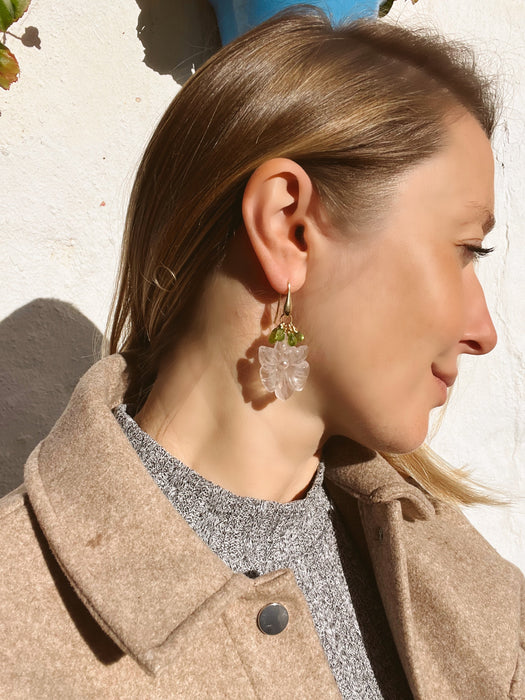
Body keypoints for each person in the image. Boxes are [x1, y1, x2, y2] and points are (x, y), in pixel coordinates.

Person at [1, 7, 523, 699]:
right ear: (290, 229)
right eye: (464, 250)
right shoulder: (18, 628)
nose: (482, 331)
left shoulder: (459, 583)